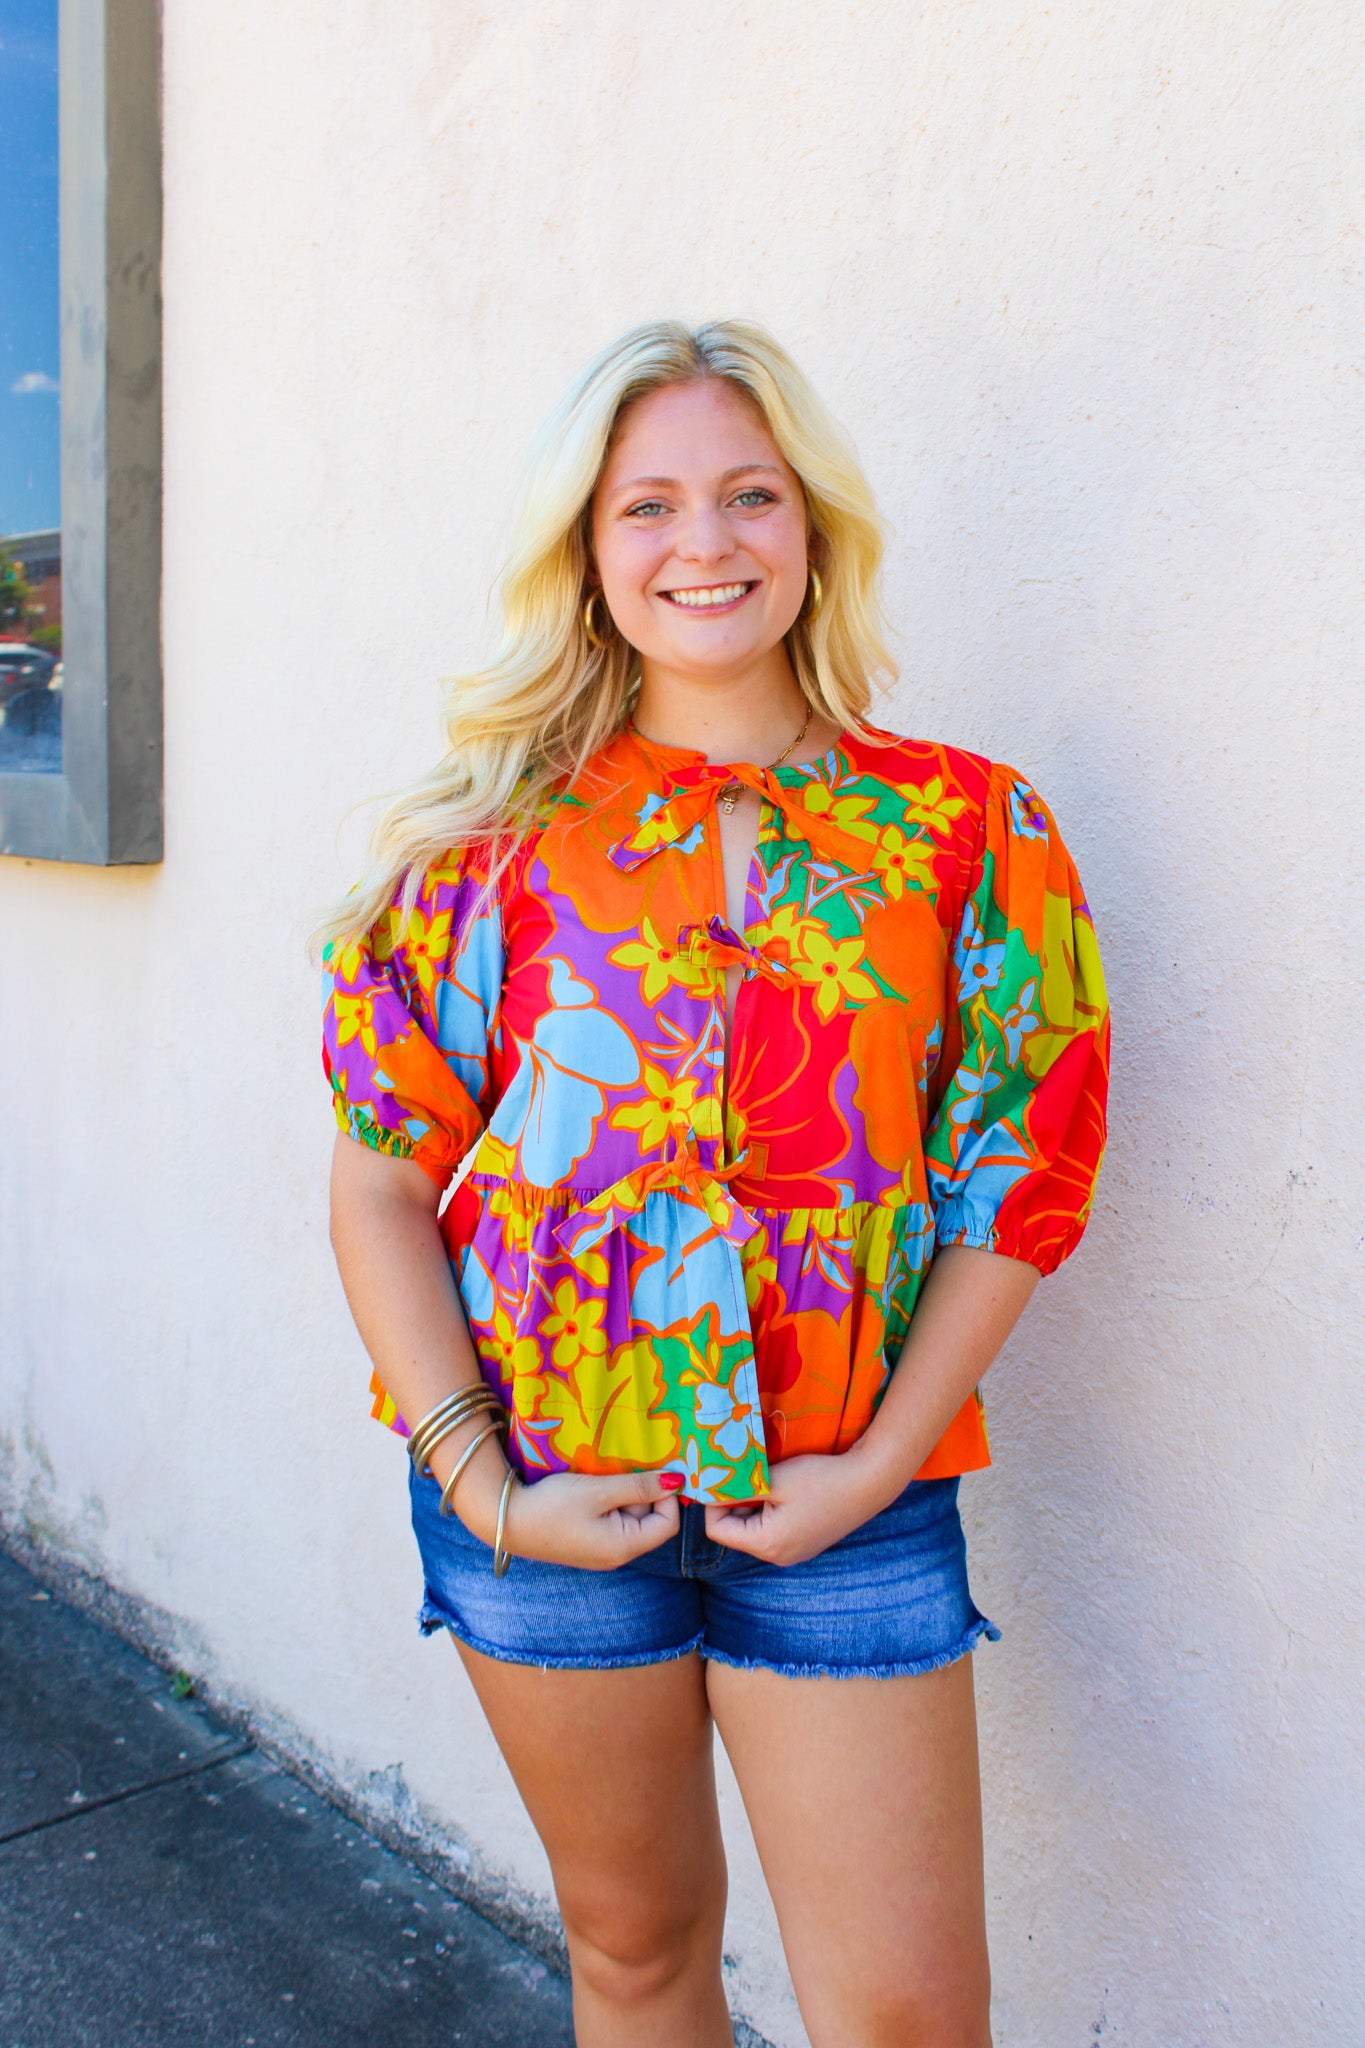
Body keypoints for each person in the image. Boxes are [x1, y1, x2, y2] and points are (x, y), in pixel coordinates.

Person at [321, 320, 1109, 2048]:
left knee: (908, 2017)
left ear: (811, 526)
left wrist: (882, 1462)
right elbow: (382, 1186)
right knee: (633, 1954)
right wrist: (483, 1488)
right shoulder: (486, 853)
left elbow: (1018, 1174)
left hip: (849, 1507)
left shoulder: (964, 830)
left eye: (750, 496)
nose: (704, 544)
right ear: (586, 554)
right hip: (542, 1508)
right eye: (648, 506)